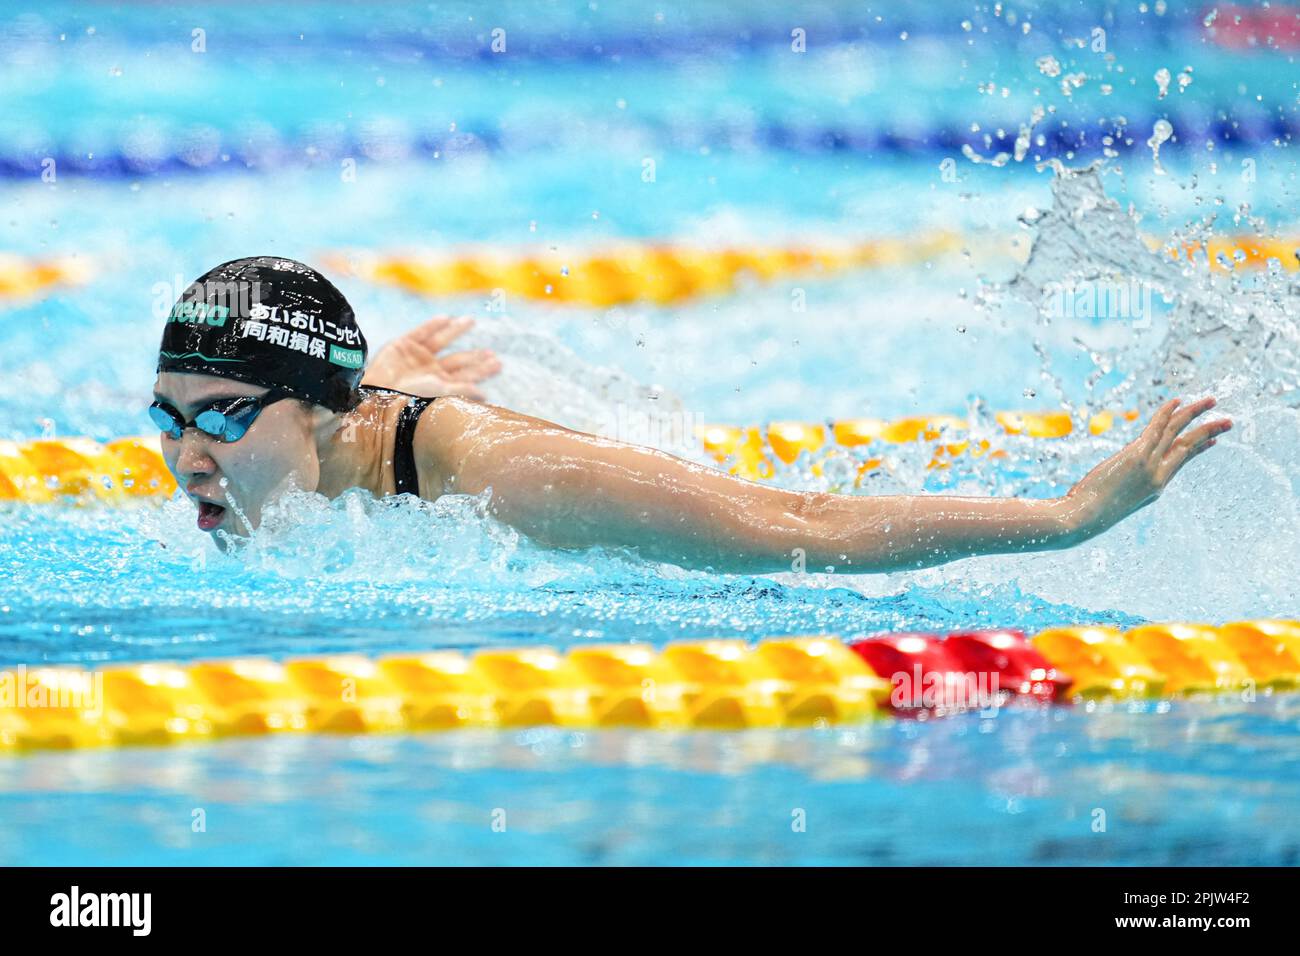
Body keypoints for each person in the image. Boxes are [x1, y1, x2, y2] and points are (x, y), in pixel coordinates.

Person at [152, 256, 1232, 571]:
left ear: (330, 414)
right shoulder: (322, 433)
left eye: (225, 419)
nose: (187, 455)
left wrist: (1065, 515)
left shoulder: (507, 479)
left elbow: (804, 522)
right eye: (169, 418)